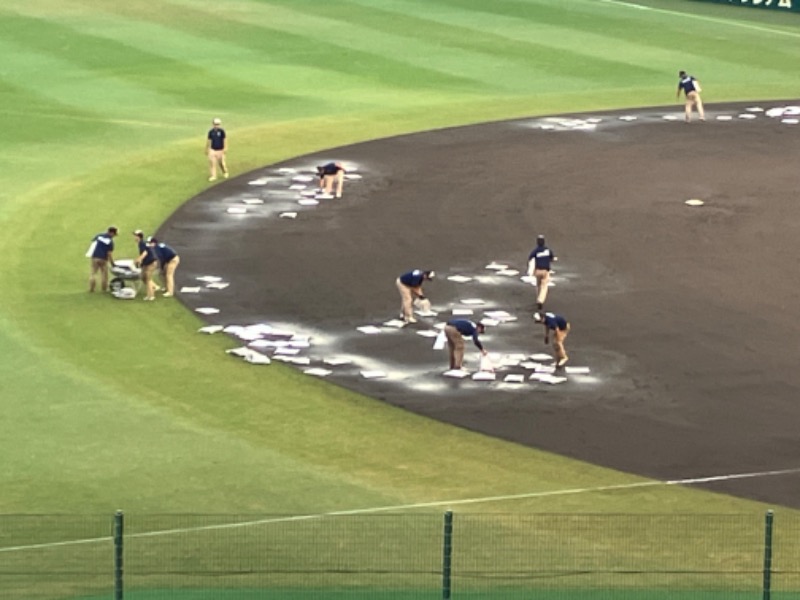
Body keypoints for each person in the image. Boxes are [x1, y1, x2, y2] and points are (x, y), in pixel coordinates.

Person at [527, 234, 557, 310]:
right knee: (544, 286)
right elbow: (552, 258)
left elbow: (530, 258)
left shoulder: (536, 251)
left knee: (538, 285)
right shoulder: (547, 250)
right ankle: (540, 300)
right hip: (545, 271)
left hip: (537, 271)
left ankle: (538, 299)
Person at [86, 226, 118, 292]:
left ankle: (91, 289)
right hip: (103, 259)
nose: (114, 236)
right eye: (114, 234)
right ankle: (104, 289)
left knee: (93, 273)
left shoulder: (99, 236)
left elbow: (93, 243)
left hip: (95, 257)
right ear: (111, 233)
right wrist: (112, 263)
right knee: (104, 274)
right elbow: (109, 253)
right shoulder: (110, 241)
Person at [133, 230, 158, 301]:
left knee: (147, 279)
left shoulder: (142, 243)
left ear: (138, 237)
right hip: (147, 262)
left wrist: (138, 260)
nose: (134, 237)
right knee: (143, 277)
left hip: (151, 263)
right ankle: (154, 288)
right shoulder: (142, 243)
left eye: (135, 236)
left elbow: (144, 253)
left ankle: (151, 296)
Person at [206, 117, 228, 182]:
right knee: (212, 163)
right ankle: (213, 176)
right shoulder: (211, 132)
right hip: (213, 149)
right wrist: (207, 149)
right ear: (213, 124)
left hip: (220, 149)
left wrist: (225, 148)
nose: (216, 125)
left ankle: (225, 172)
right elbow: (209, 141)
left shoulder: (222, 131)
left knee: (221, 163)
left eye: (218, 124)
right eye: (215, 124)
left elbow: (224, 140)